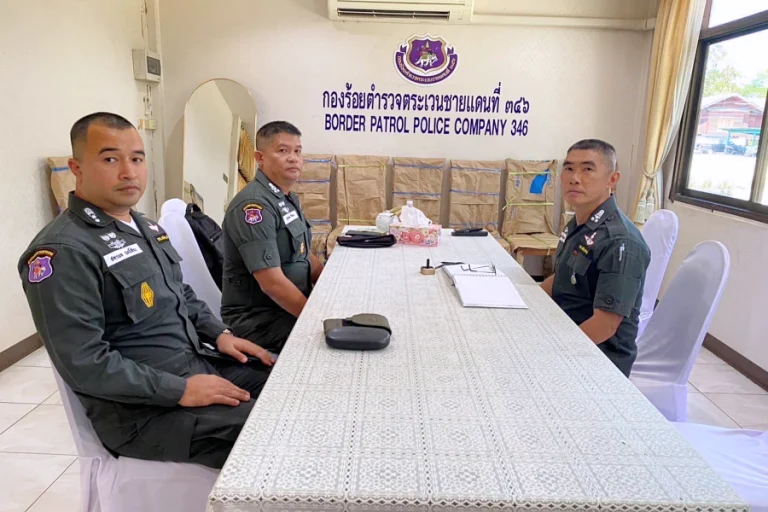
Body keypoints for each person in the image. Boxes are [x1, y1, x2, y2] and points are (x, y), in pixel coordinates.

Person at [18, 112, 276, 469]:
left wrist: (220, 335)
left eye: (137, 159)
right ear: (77, 168)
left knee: (296, 387)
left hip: (197, 364)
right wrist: (179, 390)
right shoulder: (64, 252)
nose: (129, 172)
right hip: (144, 413)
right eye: (111, 159)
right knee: (278, 435)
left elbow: (180, 292)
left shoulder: (144, 227)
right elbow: (84, 363)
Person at [541, 139, 650, 377]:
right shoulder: (580, 223)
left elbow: (605, 326)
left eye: (587, 169)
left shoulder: (619, 241)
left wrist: (551, 354)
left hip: (597, 361)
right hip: (565, 330)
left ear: (612, 180)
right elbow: (563, 277)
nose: (574, 178)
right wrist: (524, 300)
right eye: (569, 168)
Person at [221, 121, 323, 353]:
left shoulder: (286, 199)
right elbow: (272, 284)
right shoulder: (254, 206)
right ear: (260, 158)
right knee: (339, 345)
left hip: (288, 307)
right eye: (283, 151)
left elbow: (303, 253)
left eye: (297, 151)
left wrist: (330, 284)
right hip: (260, 320)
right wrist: (315, 319)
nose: (293, 158)